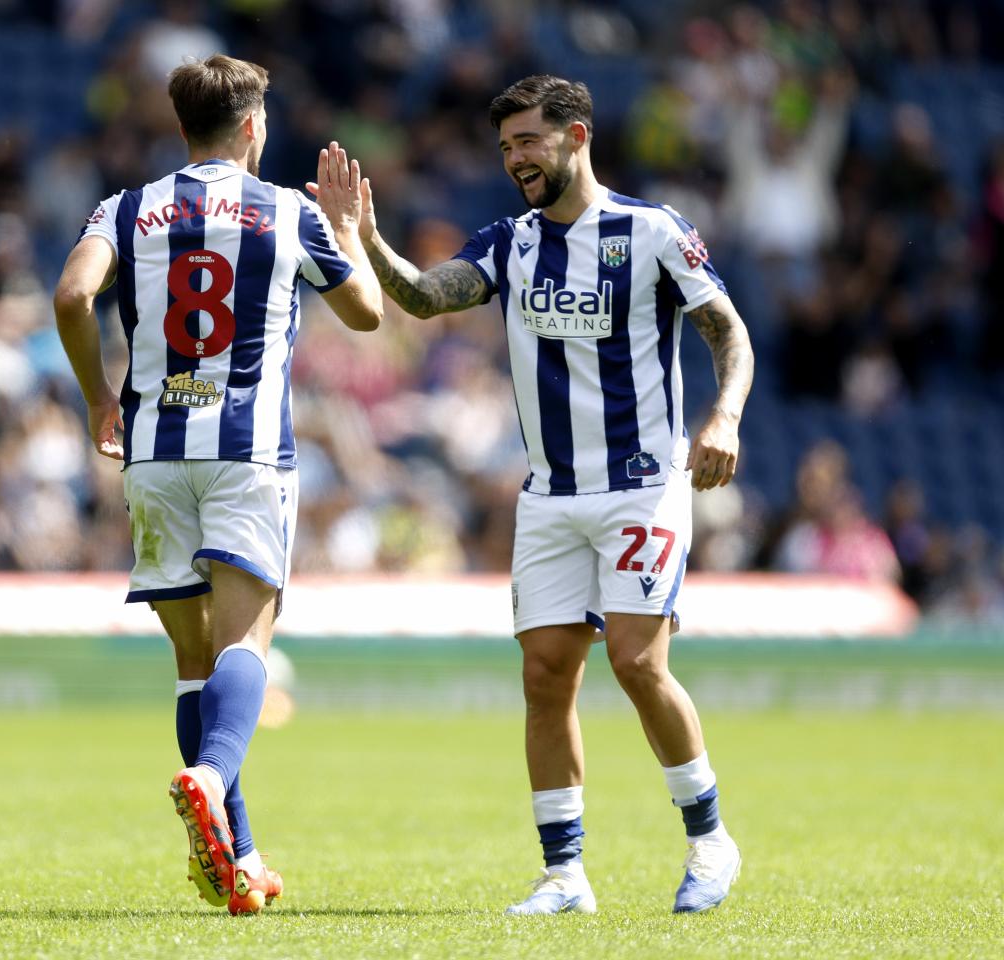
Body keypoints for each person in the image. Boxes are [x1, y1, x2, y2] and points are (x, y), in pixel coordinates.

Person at [347, 75, 754, 914]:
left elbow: (728, 331)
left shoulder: (652, 232)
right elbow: (425, 297)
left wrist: (725, 416)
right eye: (505, 148)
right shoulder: (512, 241)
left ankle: (710, 840)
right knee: (544, 675)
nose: (515, 160)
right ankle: (564, 873)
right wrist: (367, 237)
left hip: (641, 487)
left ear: (576, 136)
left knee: (637, 662)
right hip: (549, 496)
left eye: (528, 142)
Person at [53, 54, 384, 915]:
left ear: (182, 128)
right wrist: (346, 230)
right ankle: (209, 776)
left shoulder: (125, 208)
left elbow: (70, 294)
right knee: (246, 650)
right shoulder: (288, 210)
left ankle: (238, 858)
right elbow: (369, 315)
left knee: (193, 664)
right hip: (247, 453)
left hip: (154, 451)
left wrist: (99, 395)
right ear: (253, 128)